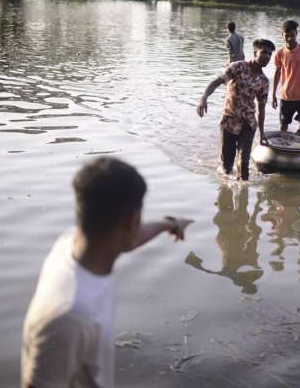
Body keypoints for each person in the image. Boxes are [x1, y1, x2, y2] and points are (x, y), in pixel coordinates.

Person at [21, 157, 192, 388]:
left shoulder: (71, 243)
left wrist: (169, 224)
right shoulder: (69, 317)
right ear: (131, 221)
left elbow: (131, 238)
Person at [198, 39, 274, 180]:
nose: (267, 56)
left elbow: (262, 109)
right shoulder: (237, 67)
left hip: (248, 123)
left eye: (270, 54)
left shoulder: (264, 81)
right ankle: (225, 193)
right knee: (227, 167)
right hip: (229, 121)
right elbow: (216, 82)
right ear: (255, 53)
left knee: (243, 164)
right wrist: (204, 97)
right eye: (264, 52)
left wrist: (262, 133)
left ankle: (242, 196)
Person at [271, 20, 300, 131]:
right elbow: (277, 73)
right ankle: (282, 148)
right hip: (286, 97)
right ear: (282, 35)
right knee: (283, 126)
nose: (290, 38)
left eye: (292, 35)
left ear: (296, 34)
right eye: (287, 35)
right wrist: (273, 95)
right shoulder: (279, 53)